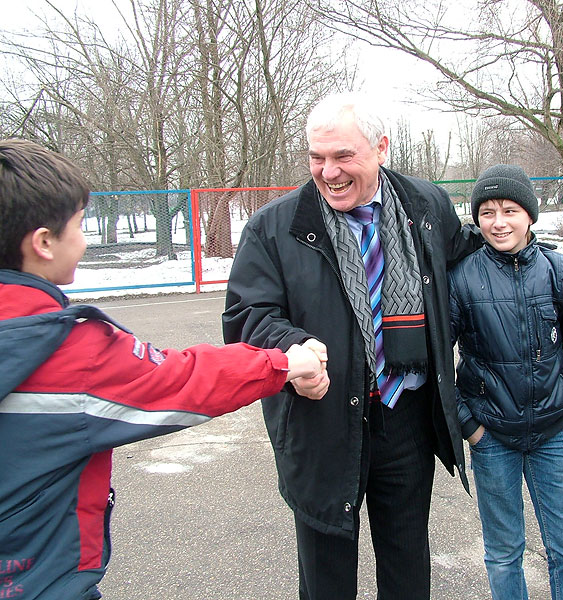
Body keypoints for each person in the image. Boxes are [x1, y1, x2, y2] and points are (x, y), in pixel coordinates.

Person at [0, 139, 328, 600]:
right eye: (78, 226)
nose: (85, 240)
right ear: (43, 243)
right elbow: (180, 380)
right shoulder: (64, 349)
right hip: (35, 581)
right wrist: (287, 361)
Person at [222, 92, 482, 600]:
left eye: (343, 156)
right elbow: (246, 316)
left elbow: (466, 252)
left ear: (381, 148)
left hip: (406, 416)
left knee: (407, 569)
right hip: (321, 420)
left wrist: (543, 261)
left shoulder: (425, 205)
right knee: (327, 578)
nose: (329, 172)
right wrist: (294, 348)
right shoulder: (274, 227)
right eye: (317, 157)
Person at [449, 164, 563, 600]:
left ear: (530, 215)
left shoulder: (559, 272)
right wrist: (471, 427)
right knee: (503, 553)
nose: (498, 223)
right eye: (487, 213)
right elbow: (438, 362)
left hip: (554, 433)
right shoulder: (461, 278)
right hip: (492, 437)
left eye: (510, 211)